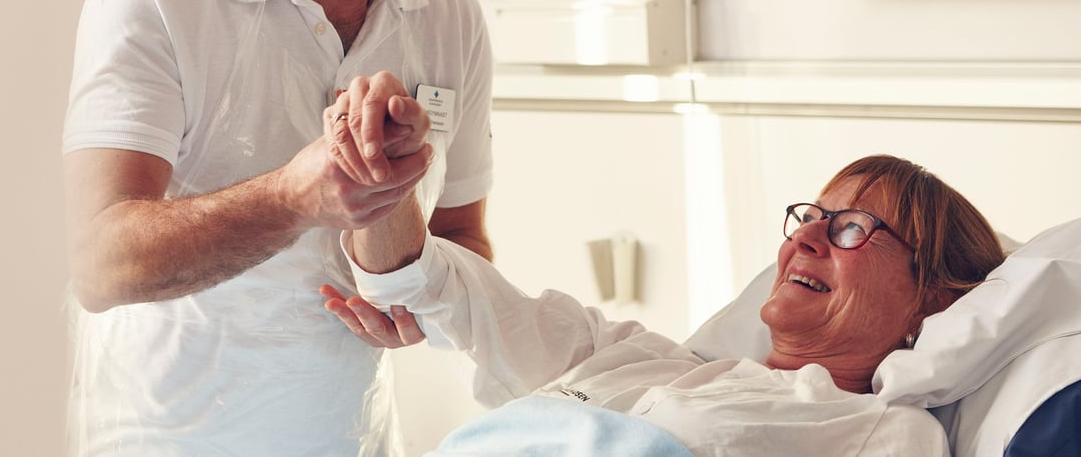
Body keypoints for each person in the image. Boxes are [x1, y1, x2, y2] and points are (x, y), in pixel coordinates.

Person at [61, 0, 500, 454]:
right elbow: (100, 262)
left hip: (354, 440)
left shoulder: (450, 21)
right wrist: (295, 197)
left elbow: (463, 236)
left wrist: (424, 303)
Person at [326, 119, 1007, 454]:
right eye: (809, 216)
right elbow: (435, 286)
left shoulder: (882, 429)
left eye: (853, 227)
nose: (806, 237)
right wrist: (378, 170)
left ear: (933, 298)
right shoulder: (633, 353)